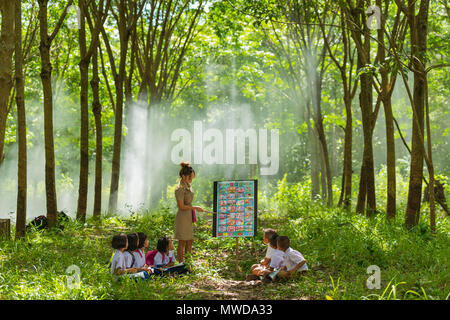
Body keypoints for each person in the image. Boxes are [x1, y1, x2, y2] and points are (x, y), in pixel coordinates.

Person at [174, 161, 204, 263]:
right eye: (190, 177)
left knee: (190, 240)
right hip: (182, 217)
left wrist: (194, 208)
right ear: (183, 176)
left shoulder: (188, 186)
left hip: (188, 216)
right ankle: (181, 264)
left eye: (192, 177)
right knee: (182, 241)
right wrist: (195, 207)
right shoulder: (180, 189)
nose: (191, 179)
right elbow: (181, 206)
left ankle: (188, 263)